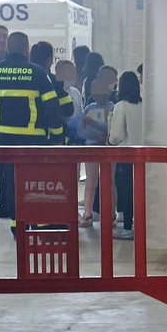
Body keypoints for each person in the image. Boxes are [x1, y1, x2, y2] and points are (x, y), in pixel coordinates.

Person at [0, 31, 64, 220]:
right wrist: (57, 137)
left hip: (4, 140)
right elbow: (52, 107)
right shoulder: (38, 73)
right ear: (26, 50)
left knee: (11, 182)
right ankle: (37, 220)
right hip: (34, 140)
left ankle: (16, 223)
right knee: (34, 182)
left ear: (8, 48)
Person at [108, 70, 143, 240]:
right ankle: (141, 226)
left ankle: (127, 228)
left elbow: (116, 135)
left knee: (126, 192)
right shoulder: (144, 105)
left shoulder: (120, 106)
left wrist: (110, 142)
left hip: (125, 155)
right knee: (140, 192)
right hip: (144, 156)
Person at [74, 75, 114, 226]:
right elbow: (80, 130)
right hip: (91, 148)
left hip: (108, 149)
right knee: (91, 181)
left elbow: (112, 129)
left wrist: (97, 128)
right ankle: (88, 213)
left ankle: (110, 215)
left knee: (109, 182)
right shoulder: (88, 109)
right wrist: (95, 135)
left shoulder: (112, 108)